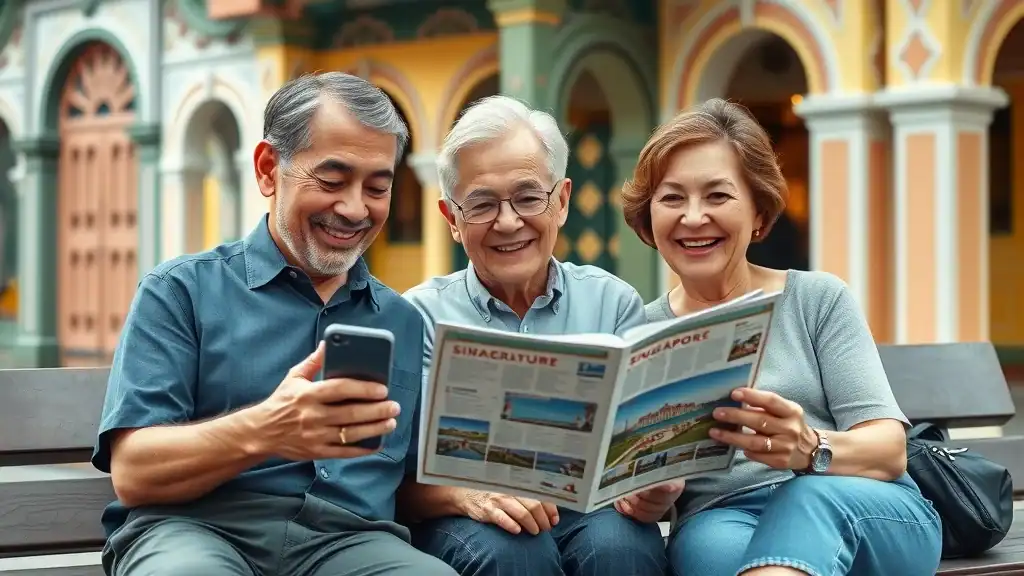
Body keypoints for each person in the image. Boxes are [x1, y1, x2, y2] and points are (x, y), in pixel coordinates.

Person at [91, 72, 457, 576]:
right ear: (268, 169)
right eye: (331, 181)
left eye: (377, 188)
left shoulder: (404, 320)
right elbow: (134, 473)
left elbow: (412, 480)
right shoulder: (180, 291)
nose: (354, 209)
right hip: (196, 531)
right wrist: (267, 429)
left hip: (350, 543)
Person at [620, 98, 943, 576]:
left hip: (857, 502)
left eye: (717, 196)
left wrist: (810, 448)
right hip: (723, 517)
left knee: (807, 498)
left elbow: (889, 451)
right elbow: (641, 498)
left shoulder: (816, 299)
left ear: (758, 213)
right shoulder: (639, 333)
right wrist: (650, 495)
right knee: (707, 556)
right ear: (649, 219)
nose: (692, 217)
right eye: (672, 198)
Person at [398, 95, 679, 576]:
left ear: (562, 201)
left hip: (591, 513)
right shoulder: (418, 316)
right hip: (465, 514)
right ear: (451, 219)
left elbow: (647, 449)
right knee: (512, 551)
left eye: (528, 197)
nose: (508, 222)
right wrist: (468, 495)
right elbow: (393, 480)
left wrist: (656, 485)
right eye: (482, 204)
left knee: (621, 548)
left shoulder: (613, 304)